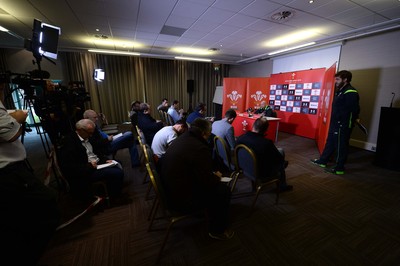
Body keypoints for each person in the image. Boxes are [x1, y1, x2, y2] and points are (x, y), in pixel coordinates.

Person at [0, 96, 60, 264]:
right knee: (47, 206)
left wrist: (11, 117)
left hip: (11, 170)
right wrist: (15, 117)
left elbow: (15, 118)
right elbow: (12, 133)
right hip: (8, 172)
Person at [159, 118, 234, 240]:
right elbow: (207, 182)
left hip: (168, 188)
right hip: (179, 199)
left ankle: (207, 214)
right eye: (209, 134)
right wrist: (217, 177)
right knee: (223, 191)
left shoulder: (182, 138)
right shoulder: (199, 148)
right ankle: (217, 230)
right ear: (204, 134)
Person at [58, 119, 125, 200]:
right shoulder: (69, 143)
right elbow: (69, 167)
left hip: (96, 164)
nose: (90, 135)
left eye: (91, 133)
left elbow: (96, 152)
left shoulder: (87, 136)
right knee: (117, 172)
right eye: (89, 133)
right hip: (86, 171)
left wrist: (105, 160)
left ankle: (113, 190)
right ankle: (114, 198)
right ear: (80, 130)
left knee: (118, 163)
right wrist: (89, 166)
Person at [311, 70, 360, 175]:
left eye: (338, 79)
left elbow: (354, 110)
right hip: (335, 123)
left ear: (345, 80)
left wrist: (345, 123)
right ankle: (323, 161)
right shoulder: (340, 90)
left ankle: (339, 168)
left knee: (340, 146)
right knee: (330, 143)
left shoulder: (351, 92)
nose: (335, 81)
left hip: (343, 125)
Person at [236, 117, 293, 192]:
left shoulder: (241, 138)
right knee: (281, 160)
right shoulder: (266, 143)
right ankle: (282, 186)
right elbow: (278, 159)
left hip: (244, 166)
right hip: (259, 171)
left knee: (280, 153)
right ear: (266, 130)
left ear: (253, 126)